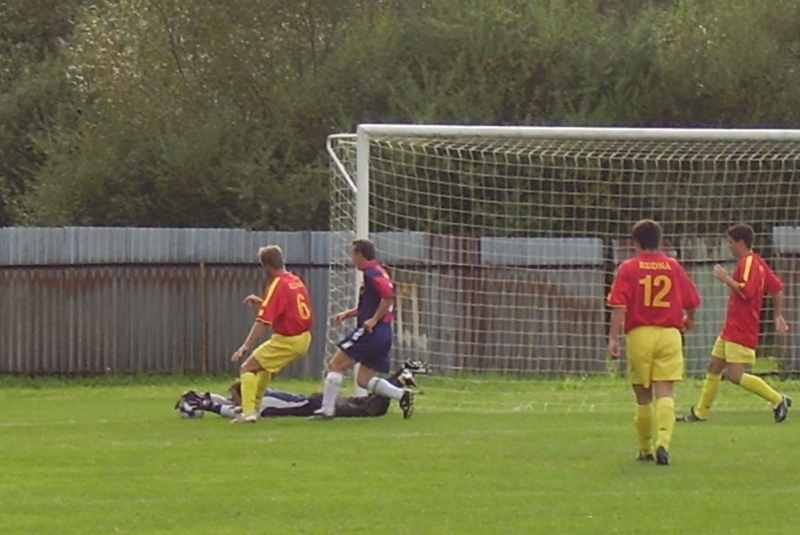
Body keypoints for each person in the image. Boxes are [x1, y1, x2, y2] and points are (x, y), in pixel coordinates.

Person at [607, 219, 701, 466]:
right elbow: (692, 301)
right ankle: (663, 443)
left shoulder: (628, 268)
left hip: (640, 334)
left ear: (635, 242)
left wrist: (613, 338)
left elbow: (619, 305)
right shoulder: (673, 266)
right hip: (669, 333)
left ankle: (645, 448)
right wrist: (689, 319)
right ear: (660, 241)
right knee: (666, 391)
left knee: (642, 394)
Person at [678, 224, 791, 424]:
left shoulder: (748, 263)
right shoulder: (758, 262)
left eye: (731, 242)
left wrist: (725, 278)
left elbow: (746, 292)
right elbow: (776, 287)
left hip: (741, 326)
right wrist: (777, 315)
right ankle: (700, 413)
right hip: (730, 327)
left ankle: (778, 399)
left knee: (735, 376)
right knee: (713, 366)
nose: (729, 246)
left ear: (741, 242)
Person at [314, 238, 414, 419]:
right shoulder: (380, 271)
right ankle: (402, 395)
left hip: (371, 332)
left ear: (360, 254)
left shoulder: (371, 273)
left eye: (353, 254)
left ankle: (327, 411)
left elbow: (388, 296)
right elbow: (373, 303)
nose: (352, 258)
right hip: (384, 332)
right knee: (363, 380)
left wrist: (373, 320)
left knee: (335, 365)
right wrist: (348, 314)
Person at [229, 245, 313, 423]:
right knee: (264, 366)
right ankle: (255, 405)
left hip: (288, 339)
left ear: (266, 266)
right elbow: (287, 310)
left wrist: (245, 345)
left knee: (247, 368)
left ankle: (248, 412)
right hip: (304, 338)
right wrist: (262, 303)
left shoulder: (277, 284)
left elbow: (263, 322)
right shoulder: (295, 280)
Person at [176, 361, 429, 419]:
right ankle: (402, 376)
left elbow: (236, 412)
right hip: (315, 399)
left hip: (315, 405)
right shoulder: (263, 394)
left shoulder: (260, 404)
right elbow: (236, 403)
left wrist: (209, 405)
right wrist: (208, 396)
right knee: (368, 403)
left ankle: (399, 378)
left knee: (373, 409)